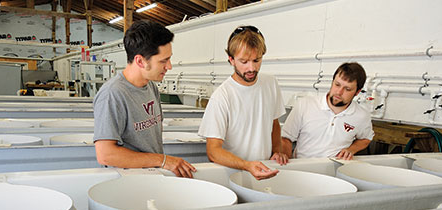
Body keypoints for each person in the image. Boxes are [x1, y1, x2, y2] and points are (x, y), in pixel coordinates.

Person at [93, 20, 196, 178]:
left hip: (151, 175)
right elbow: (106, 154)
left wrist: (161, 163)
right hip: (128, 181)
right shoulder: (112, 94)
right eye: (163, 61)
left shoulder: (151, 86)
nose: (169, 66)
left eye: (169, 59)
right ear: (140, 61)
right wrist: (163, 160)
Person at [198, 25, 287, 180]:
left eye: (256, 60)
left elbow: (274, 124)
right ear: (231, 60)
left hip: (264, 169)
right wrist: (247, 165)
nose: (251, 68)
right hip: (232, 173)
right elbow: (213, 150)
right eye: (244, 61)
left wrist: (276, 152)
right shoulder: (222, 97)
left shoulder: (271, 83)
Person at [281, 62, 374, 160]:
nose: (339, 92)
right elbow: (286, 138)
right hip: (302, 168)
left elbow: (366, 138)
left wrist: (351, 150)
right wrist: (288, 163)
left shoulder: (361, 116)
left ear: (357, 92)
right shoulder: (305, 105)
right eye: (337, 84)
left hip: (333, 171)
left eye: (347, 89)